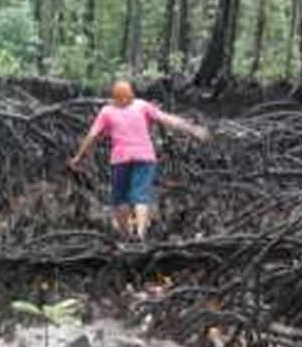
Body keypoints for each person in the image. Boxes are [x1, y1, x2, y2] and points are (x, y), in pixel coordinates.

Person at [69, 79, 209, 241]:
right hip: (144, 157)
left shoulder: (107, 111)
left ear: (113, 97)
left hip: (120, 159)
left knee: (120, 199)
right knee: (140, 196)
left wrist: (78, 157)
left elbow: (92, 135)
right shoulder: (142, 105)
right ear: (132, 95)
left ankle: (126, 237)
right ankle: (140, 235)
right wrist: (193, 129)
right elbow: (167, 119)